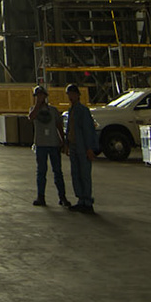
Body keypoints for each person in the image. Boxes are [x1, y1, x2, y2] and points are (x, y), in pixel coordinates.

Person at [26, 84, 69, 207]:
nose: (39, 97)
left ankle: (62, 197)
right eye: (37, 96)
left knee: (58, 172)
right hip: (41, 145)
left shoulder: (53, 111)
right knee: (41, 172)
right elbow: (31, 117)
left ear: (45, 96)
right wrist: (38, 105)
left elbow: (59, 126)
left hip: (53, 144)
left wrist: (63, 141)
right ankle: (41, 197)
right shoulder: (33, 109)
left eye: (41, 95)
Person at [63, 84, 100, 213]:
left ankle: (87, 201)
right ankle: (80, 199)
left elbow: (88, 130)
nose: (70, 97)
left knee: (84, 174)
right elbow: (69, 129)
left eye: (72, 94)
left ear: (78, 95)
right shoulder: (71, 110)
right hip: (73, 146)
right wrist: (67, 144)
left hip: (82, 147)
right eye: (69, 94)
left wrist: (89, 148)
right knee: (76, 174)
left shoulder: (83, 111)